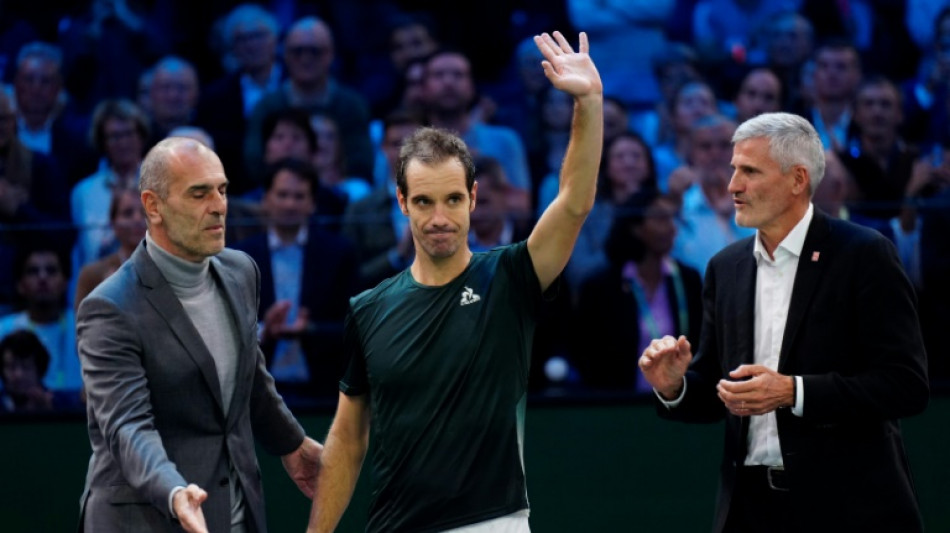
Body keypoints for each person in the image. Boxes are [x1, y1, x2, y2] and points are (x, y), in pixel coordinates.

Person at [306, 31, 603, 533]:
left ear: (473, 197)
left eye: (452, 200)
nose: (439, 217)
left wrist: (589, 102)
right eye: (423, 202)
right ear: (401, 202)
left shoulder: (510, 276)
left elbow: (574, 201)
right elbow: (348, 438)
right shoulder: (368, 308)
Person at [638, 112, 929, 532]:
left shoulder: (864, 254)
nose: (733, 185)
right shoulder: (726, 267)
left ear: (797, 180)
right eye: (734, 169)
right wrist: (675, 387)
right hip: (750, 509)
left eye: (749, 171)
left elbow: (906, 386)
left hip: (848, 507)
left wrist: (793, 391)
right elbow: (721, 391)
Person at [76, 137, 322, 533]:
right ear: (153, 206)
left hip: (235, 514)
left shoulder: (241, 271)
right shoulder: (109, 307)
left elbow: (250, 377)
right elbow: (127, 427)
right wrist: (174, 492)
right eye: (199, 194)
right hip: (144, 519)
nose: (219, 206)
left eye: (222, 190)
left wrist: (292, 443)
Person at [231, 157, 358, 398]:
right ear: (265, 199)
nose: (290, 204)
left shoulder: (339, 253)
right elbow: (227, 330)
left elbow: (355, 327)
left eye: (299, 196)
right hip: (256, 391)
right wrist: (264, 331)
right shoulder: (241, 256)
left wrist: (309, 329)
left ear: (312, 203)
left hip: (323, 390)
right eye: (282, 195)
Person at [575, 189, 702, 392]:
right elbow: (587, 355)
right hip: (619, 406)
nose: (672, 228)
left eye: (672, 219)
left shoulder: (688, 281)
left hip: (678, 404)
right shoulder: (602, 287)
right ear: (636, 227)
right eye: (661, 219)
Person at [74, 187, 146, 311]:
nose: (137, 219)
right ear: (113, 223)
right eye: (128, 213)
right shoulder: (91, 275)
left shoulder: (171, 270)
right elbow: (83, 326)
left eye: (144, 213)